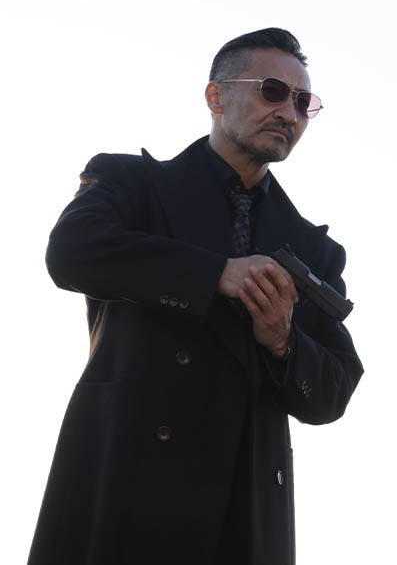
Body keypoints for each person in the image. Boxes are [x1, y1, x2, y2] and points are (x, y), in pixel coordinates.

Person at [28, 28, 364, 565]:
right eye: (273, 91)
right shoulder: (132, 183)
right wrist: (214, 275)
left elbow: (333, 392)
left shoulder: (313, 249)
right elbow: (71, 252)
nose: (289, 113)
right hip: (128, 485)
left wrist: (282, 340)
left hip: (244, 511)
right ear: (216, 96)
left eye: (304, 102)